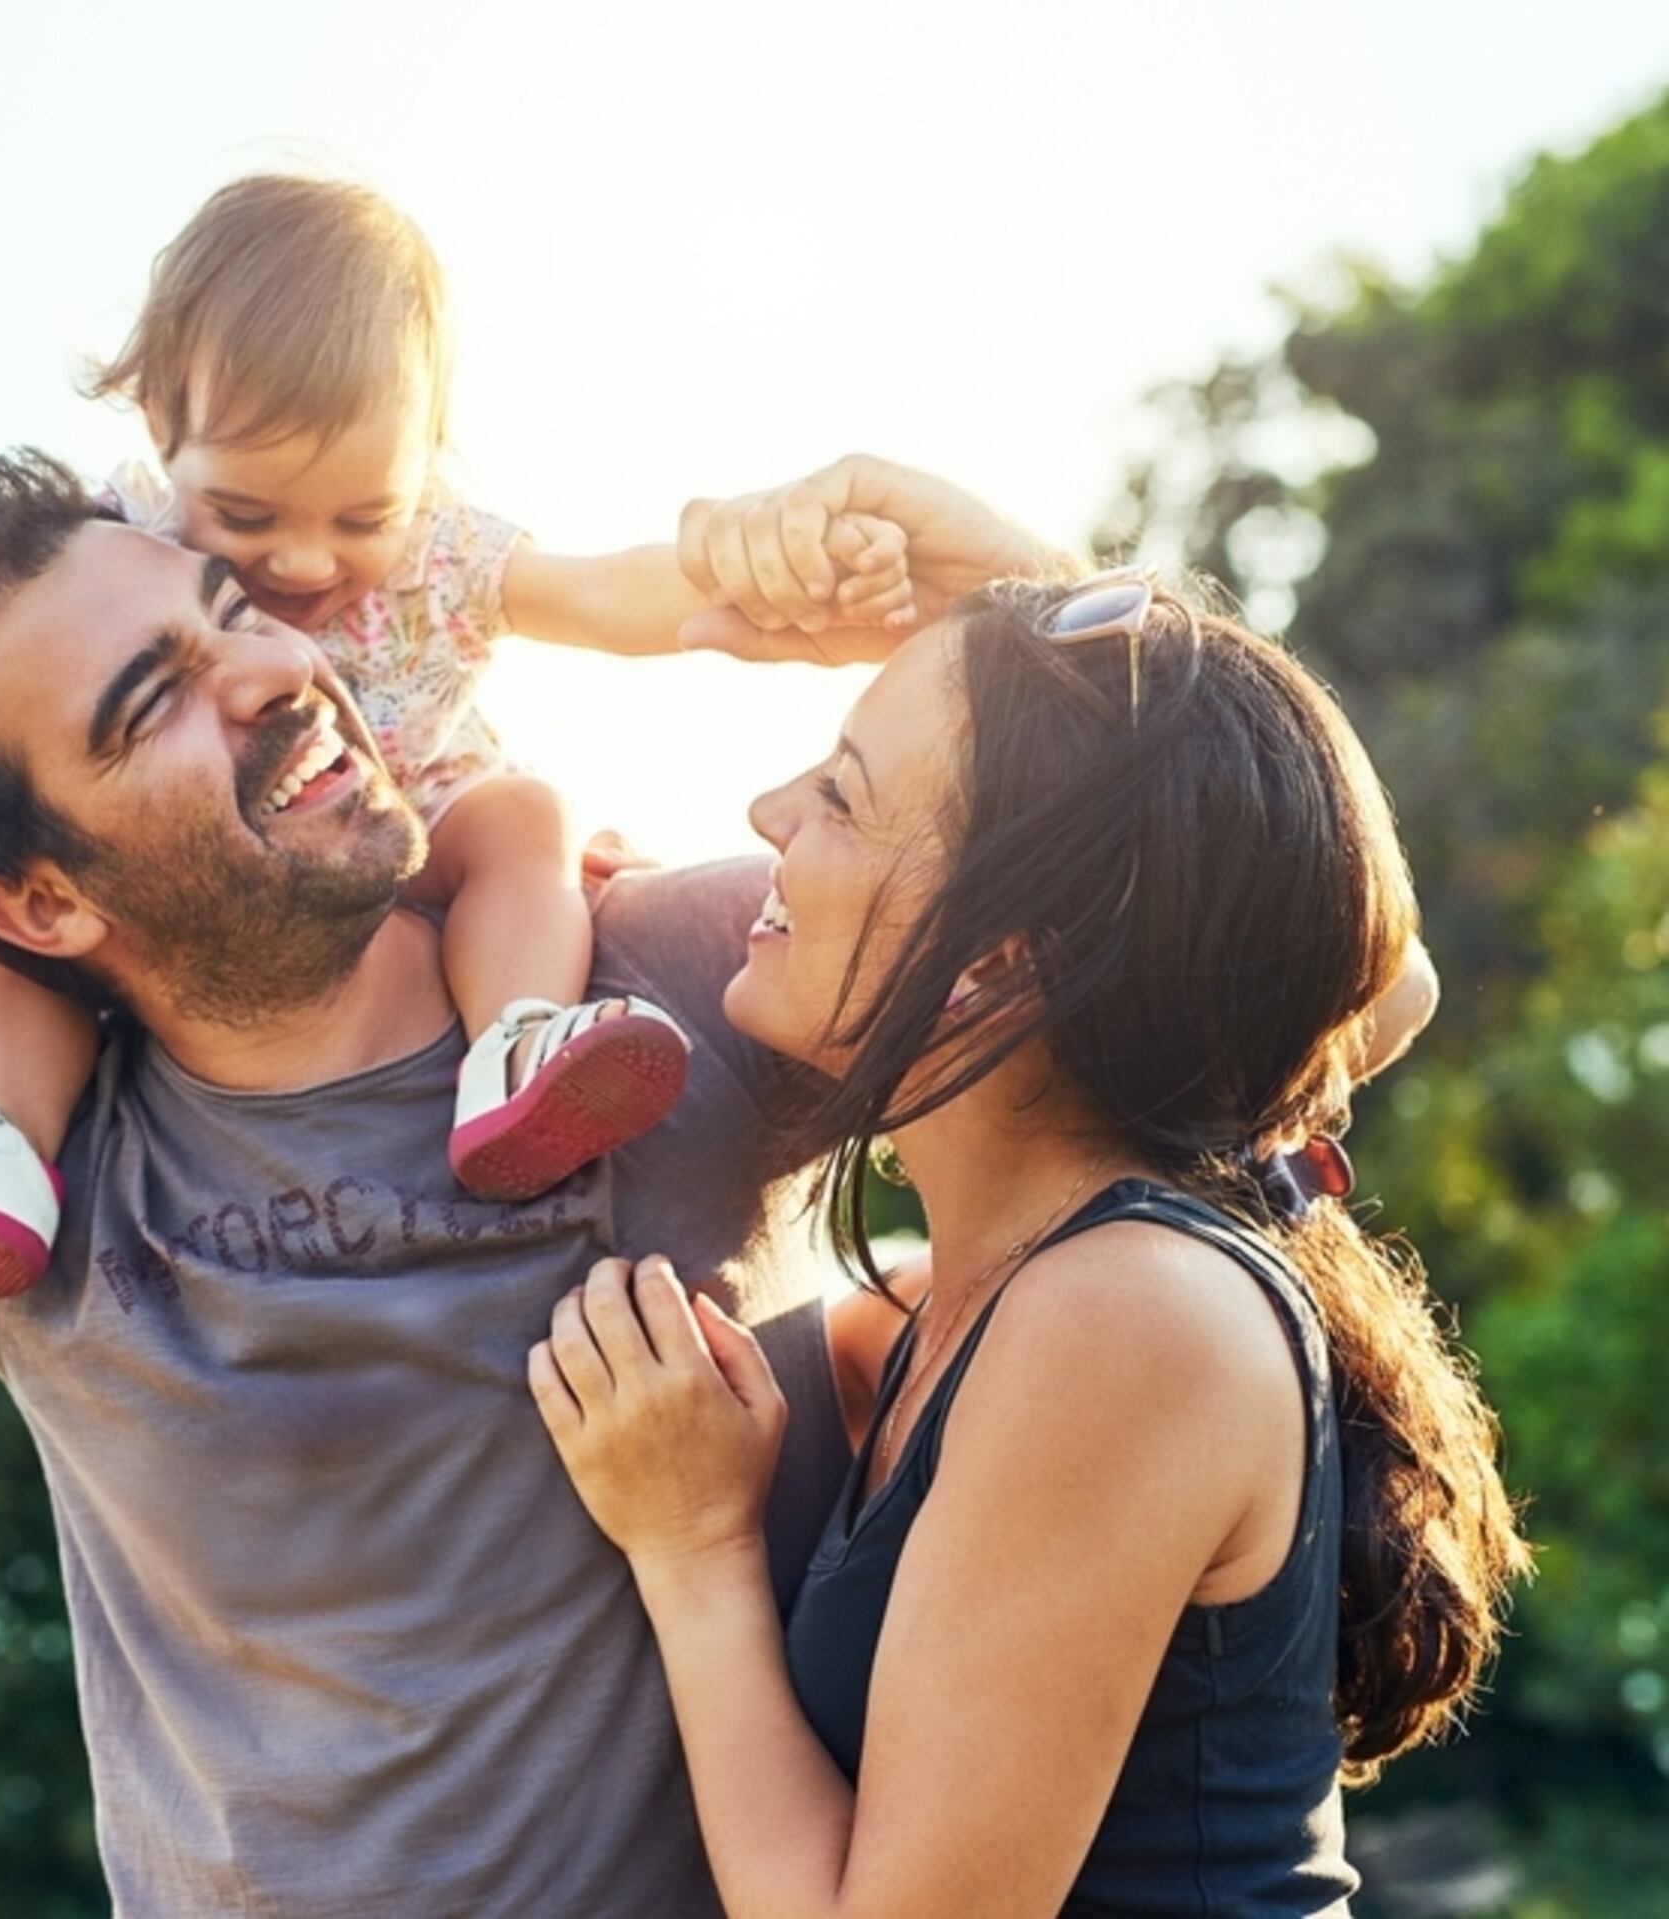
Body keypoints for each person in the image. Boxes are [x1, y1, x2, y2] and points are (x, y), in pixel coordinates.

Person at [0, 386, 1001, 1915]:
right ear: (43, 904)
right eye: (156, 705)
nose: (278, 670)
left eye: (238, 615)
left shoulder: (688, 985)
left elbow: (1199, 917)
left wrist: (997, 573)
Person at [0, 175, 916, 1295]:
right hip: (222, 870)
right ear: (161, 423)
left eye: (363, 512)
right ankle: (0, 1150)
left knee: (522, 817)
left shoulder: (440, 553)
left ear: (425, 461)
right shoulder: (124, 545)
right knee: (43, 926)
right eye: (247, 512)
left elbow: (603, 592)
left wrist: (754, 579)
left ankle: (519, 1044)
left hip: (412, 831)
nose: (306, 560)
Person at [528, 532, 1528, 1914]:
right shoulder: (963, 1306)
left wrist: (694, 1552)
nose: (768, 809)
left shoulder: (1128, 1317)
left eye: (842, 794)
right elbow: (1324, 949)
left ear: (996, 961)